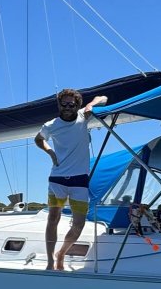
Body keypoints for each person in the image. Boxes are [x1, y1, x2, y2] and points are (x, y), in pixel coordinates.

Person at [35, 88, 108, 270]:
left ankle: (62, 253)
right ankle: (51, 261)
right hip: (57, 178)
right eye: (64, 104)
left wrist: (92, 104)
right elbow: (38, 139)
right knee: (53, 218)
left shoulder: (84, 116)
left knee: (79, 224)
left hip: (79, 180)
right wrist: (50, 152)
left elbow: (104, 98)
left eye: (72, 104)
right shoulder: (51, 125)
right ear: (59, 104)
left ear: (78, 105)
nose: (67, 107)